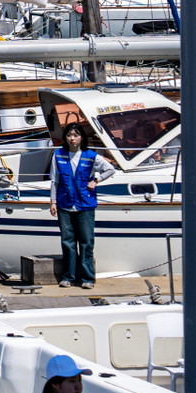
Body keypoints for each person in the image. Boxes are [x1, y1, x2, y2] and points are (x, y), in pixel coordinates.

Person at [50, 122, 115, 289]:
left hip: (85, 205)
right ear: (65, 137)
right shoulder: (58, 155)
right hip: (65, 204)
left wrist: (96, 180)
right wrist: (53, 202)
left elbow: (110, 169)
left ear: (81, 137)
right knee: (67, 241)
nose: (72, 139)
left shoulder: (91, 156)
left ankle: (87, 278)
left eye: (76, 135)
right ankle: (68, 277)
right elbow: (54, 181)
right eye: (69, 135)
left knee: (86, 242)